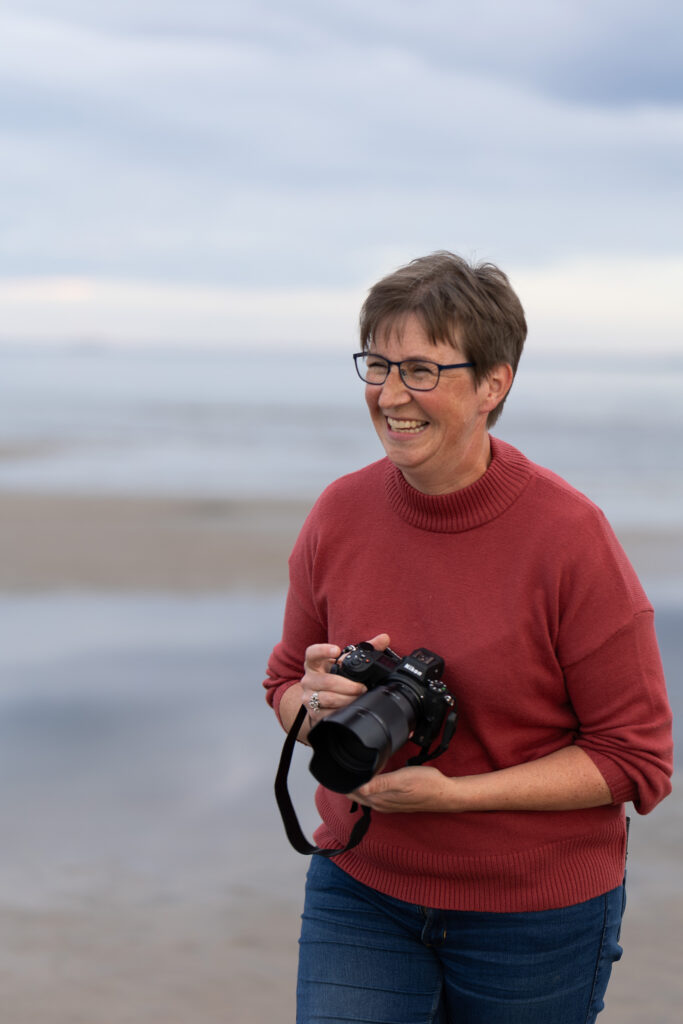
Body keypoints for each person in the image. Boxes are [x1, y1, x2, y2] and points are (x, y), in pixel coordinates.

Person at [264, 251, 673, 1024]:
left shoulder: (567, 537)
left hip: (533, 916)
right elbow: (282, 681)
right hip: (362, 885)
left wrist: (452, 799)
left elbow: (636, 758)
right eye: (377, 364)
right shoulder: (338, 513)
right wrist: (310, 704)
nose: (389, 395)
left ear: (493, 384)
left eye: (420, 370)